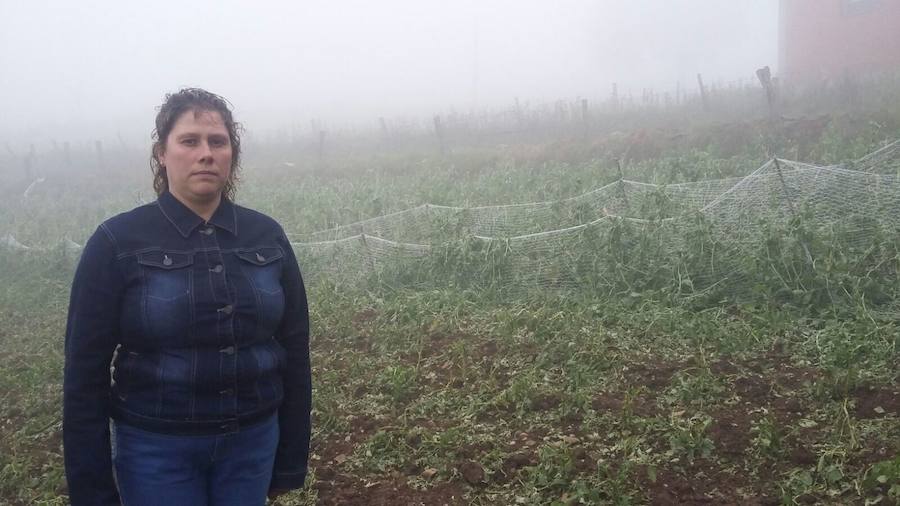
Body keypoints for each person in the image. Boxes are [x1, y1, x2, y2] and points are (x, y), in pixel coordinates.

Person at [63, 88, 311, 506]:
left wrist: (290, 458)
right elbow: (84, 375)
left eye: (218, 141)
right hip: (155, 451)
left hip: (251, 445)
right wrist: (92, 489)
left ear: (232, 153)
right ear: (162, 153)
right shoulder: (117, 242)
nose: (206, 153)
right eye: (189, 140)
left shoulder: (267, 236)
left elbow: (293, 349)